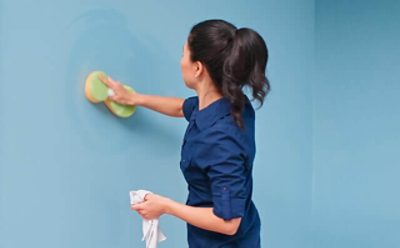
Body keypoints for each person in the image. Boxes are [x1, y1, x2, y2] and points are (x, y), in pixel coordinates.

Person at [100, 19, 270, 247]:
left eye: (183, 54)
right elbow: (182, 107)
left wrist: (165, 206)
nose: (180, 61)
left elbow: (228, 223)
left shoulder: (220, 139)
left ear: (198, 68)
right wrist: (134, 98)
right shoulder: (230, 103)